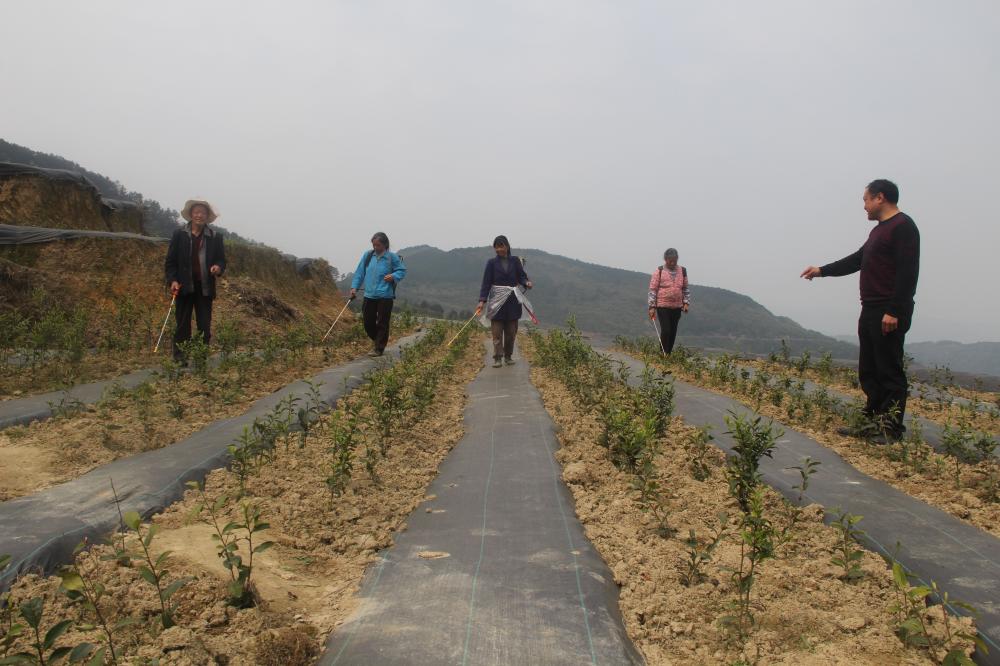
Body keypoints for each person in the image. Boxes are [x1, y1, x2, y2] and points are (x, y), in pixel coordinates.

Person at [800, 179, 920, 443]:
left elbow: (907, 273)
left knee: (889, 370)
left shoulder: (903, 227)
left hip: (888, 309)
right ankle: (870, 422)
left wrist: (894, 310)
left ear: (880, 198)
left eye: (865, 200)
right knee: (870, 368)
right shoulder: (879, 231)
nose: (864, 206)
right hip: (871, 307)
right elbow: (858, 260)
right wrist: (822, 270)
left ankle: (890, 429)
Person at [164, 199, 226, 364]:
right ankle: (180, 357)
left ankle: (200, 357)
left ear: (207, 216)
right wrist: (173, 280)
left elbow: (222, 260)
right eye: (196, 212)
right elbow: (170, 262)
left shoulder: (215, 237)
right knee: (182, 323)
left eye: (203, 213)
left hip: (204, 287)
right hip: (184, 285)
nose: (199, 215)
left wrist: (217, 267)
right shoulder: (179, 235)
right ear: (191, 215)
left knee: (204, 325)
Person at [476, 236, 532, 368]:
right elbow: (486, 283)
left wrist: (526, 283)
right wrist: (482, 301)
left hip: (513, 301)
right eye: (497, 246)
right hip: (496, 302)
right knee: (496, 332)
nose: (499, 249)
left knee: (511, 332)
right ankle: (497, 357)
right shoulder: (491, 263)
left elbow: (522, 276)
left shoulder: (515, 261)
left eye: (501, 246)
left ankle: (508, 356)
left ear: (507, 246)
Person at [350, 232, 406, 357]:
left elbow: (402, 271)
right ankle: (379, 341)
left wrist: (393, 276)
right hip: (369, 294)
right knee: (368, 322)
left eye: (378, 245)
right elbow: (360, 272)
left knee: (382, 322)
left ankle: (379, 348)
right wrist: (354, 287)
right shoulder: (368, 256)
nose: (376, 247)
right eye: (374, 245)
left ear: (385, 245)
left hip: (385, 295)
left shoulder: (392, 257)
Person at [647, 248, 690, 355]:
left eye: (674, 260)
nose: (672, 263)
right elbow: (653, 289)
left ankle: (668, 354)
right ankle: (662, 354)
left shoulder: (682, 271)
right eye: (670, 260)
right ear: (665, 259)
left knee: (673, 332)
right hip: (662, 306)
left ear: (677, 259)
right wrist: (652, 307)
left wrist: (686, 303)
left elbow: (685, 288)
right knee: (666, 330)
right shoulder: (659, 271)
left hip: (677, 307)